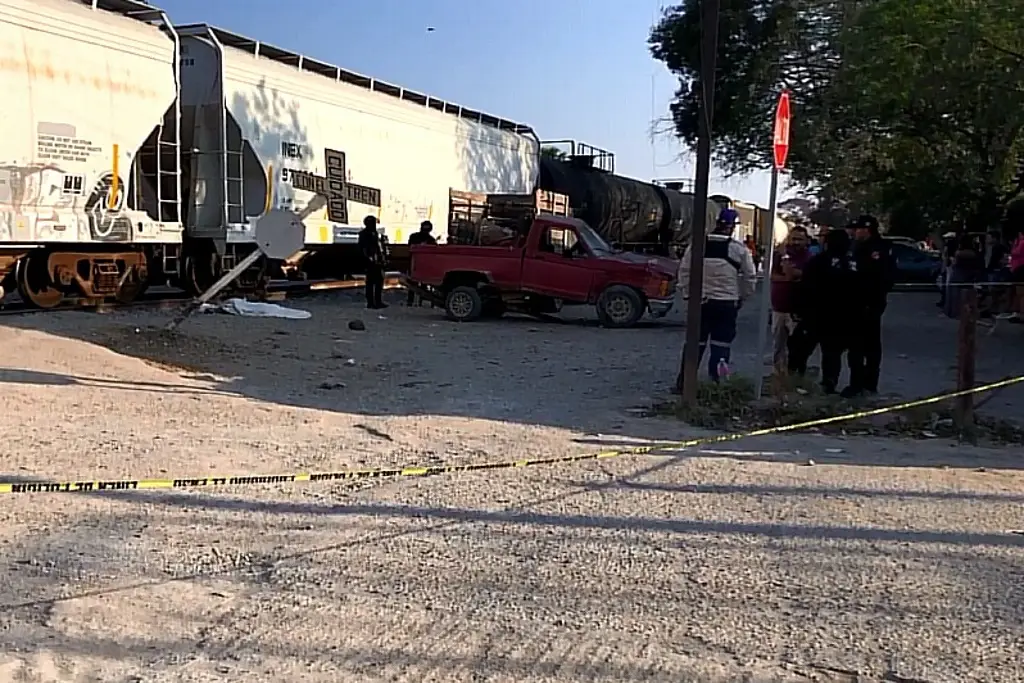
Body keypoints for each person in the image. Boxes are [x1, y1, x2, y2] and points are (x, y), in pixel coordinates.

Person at [673, 208, 757, 392]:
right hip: (726, 304)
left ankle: (684, 383)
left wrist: (687, 294)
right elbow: (750, 277)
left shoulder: (697, 245)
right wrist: (742, 296)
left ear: (717, 223)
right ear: (733, 227)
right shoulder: (739, 249)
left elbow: (685, 272)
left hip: (700, 303)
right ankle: (717, 384)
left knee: (695, 343)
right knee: (721, 345)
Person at [788, 229, 860, 393]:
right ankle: (829, 384)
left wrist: (798, 310)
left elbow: (805, 288)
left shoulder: (818, 262)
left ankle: (796, 381)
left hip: (816, 316)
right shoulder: (853, 264)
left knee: (799, 350)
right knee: (832, 354)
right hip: (842, 318)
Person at [844, 214, 894, 397]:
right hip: (853, 304)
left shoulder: (879, 249)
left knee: (871, 347)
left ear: (867, 229)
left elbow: (884, 278)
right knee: (855, 347)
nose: (855, 232)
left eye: (858, 229)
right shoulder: (855, 247)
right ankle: (855, 383)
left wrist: (873, 301)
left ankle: (869, 384)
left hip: (871, 303)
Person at [769, 225, 812, 372]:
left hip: (797, 308)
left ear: (806, 241)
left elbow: (792, 273)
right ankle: (778, 375)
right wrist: (787, 278)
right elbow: (773, 275)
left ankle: (795, 374)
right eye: (793, 239)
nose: (796, 242)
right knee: (778, 345)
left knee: (797, 346)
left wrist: (788, 270)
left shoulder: (809, 258)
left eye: (800, 239)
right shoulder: (778, 255)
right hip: (779, 306)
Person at [358, 215, 388, 309]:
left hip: (375, 260)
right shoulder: (366, 234)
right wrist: (370, 258)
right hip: (371, 261)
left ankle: (376, 301)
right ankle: (372, 302)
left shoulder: (373, 233)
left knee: (377, 281)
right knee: (372, 282)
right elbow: (364, 248)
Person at [406, 221, 437, 306]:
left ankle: (412, 301)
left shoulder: (416, 237)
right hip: (419, 264)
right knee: (417, 284)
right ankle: (417, 301)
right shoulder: (430, 239)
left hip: (417, 264)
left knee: (415, 284)